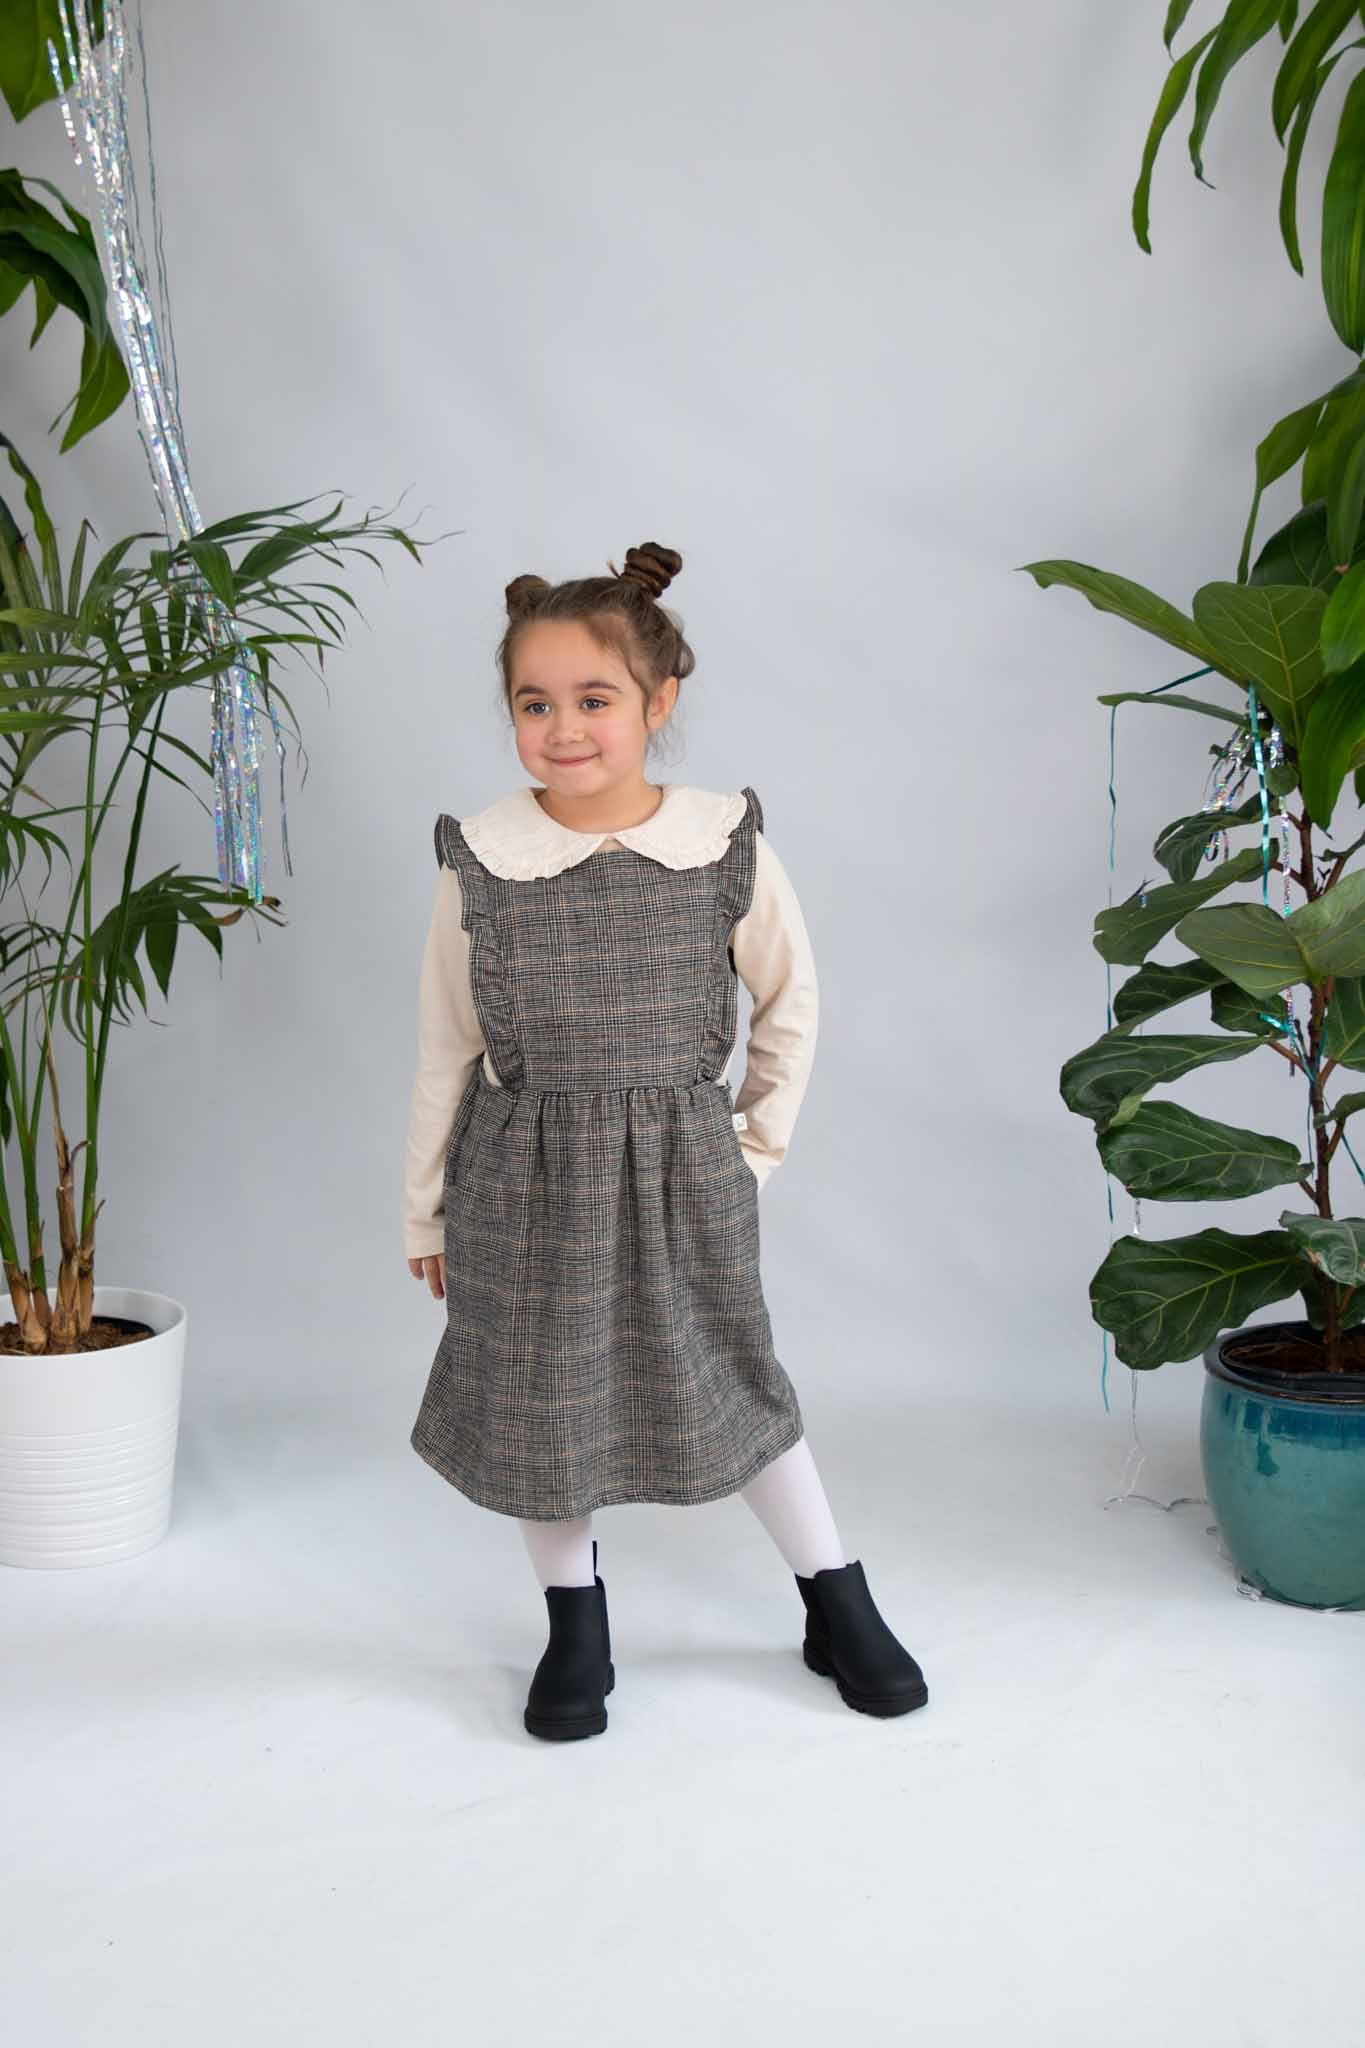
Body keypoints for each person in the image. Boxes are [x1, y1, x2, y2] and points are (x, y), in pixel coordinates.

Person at [400, 540, 927, 1740]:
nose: (564, 728)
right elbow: (445, 1044)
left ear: (659, 700)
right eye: (535, 703)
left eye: (594, 699)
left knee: (730, 1379)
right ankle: (575, 1626)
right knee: (542, 1399)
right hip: (521, 1180)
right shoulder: (483, 857)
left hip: (683, 1172)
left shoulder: (721, 842)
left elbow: (792, 1002)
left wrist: (753, 1149)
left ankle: (835, 1595)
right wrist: (422, 1208)